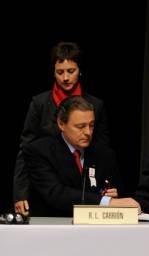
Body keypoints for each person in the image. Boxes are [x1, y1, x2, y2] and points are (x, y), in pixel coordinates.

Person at [14, 42, 110, 215]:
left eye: (70, 71)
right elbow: (25, 149)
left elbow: (102, 150)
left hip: (84, 186)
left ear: (79, 70)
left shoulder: (95, 105)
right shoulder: (40, 104)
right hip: (48, 183)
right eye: (60, 72)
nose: (65, 78)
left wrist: (106, 187)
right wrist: (20, 193)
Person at [23, 96, 138, 217]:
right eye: (80, 126)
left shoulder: (104, 154)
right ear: (61, 123)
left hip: (96, 227)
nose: (88, 132)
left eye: (91, 125)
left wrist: (113, 194)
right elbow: (56, 194)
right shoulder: (40, 151)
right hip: (55, 225)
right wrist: (105, 201)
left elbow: (118, 193)